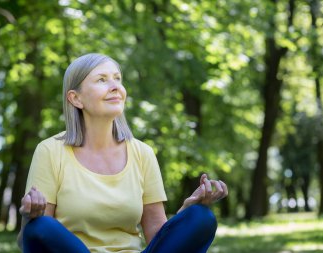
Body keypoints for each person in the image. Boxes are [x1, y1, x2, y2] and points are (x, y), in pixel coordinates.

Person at [17, 53, 228, 253]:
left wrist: (187, 207)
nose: (115, 87)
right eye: (102, 80)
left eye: (117, 79)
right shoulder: (50, 151)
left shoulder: (142, 153)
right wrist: (29, 217)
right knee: (41, 226)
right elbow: (34, 238)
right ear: (76, 99)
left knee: (201, 217)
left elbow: (158, 239)